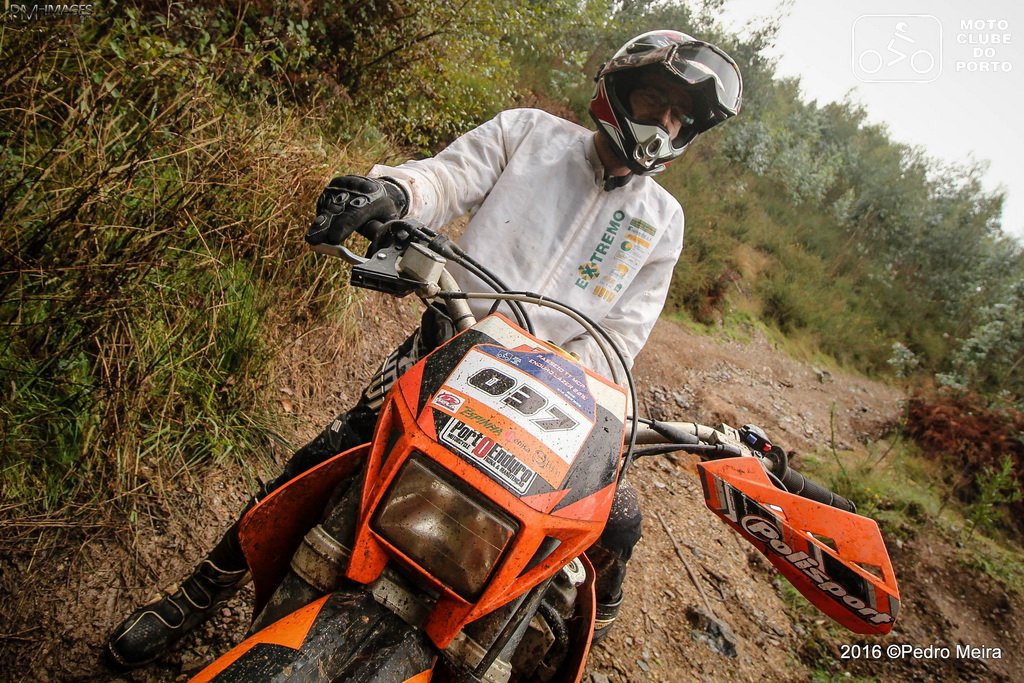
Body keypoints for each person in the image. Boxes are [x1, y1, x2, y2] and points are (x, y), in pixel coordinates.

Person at [106, 29, 743, 668]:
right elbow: (445, 178)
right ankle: (203, 588)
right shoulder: (529, 134)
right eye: (655, 98)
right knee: (331, 452)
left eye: (679, 114)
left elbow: (622, 338)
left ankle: (565, 638)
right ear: (618, 91)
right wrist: (394, 194)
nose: (664, 121)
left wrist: (570, 385)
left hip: (545, 405)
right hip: (444, 348)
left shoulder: (663, 221)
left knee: (603, 526)